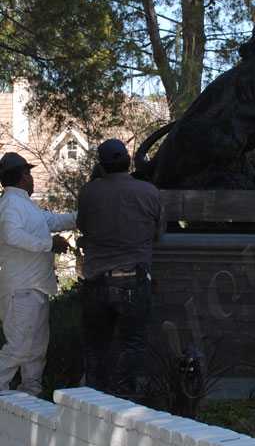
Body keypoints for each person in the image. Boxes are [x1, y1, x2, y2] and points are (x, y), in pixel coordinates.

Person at [77, 139, 161, 395]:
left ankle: (92, 403)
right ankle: (126, 405)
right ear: (127, 160)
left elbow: (84, 227)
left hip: (96, 282)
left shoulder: (88, 193)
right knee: (132, 345)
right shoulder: (149, 192)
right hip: (133, 280)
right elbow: (159, 233)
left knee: (95, 348)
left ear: (101, 165)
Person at [0, 152, 75, 395]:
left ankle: (30, 396)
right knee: (20, 348)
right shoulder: (10, 204)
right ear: (23, 176)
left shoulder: (22, 204)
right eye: (30, 174)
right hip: (21, 289)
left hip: (34, 287)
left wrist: (83, 216)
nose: (32, 178)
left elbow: (51, 220)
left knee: (35, 350)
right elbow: (11, 235)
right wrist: (48, 244)